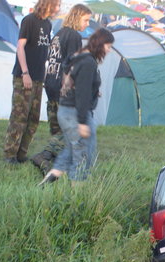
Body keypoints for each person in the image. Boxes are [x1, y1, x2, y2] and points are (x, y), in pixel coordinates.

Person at [39, 28, 114, 185]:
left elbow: (71, 76)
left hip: (65, 110)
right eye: (108, 46)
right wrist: (82, 122)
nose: (109, 50)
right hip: (76, 113)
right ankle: (77, 193)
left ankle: (51, 177)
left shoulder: (78, 56)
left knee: (71, 150)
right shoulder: (88, 62)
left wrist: (92, 91)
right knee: (83, 155)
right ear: (100, 45)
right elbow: (82, 92)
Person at [31, 3, 92, 175]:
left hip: (50, 83)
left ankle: (55, 164)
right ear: (76, 16)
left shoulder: (59, 34)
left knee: (57, 127)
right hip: (61, 87)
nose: (87, 24)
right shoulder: (73, 36)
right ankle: (44, 156)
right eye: (86, 20)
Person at [3, 0, 60, 165]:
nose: (58, 8)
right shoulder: (29, 20)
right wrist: (25, 72)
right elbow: (20, 47)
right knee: (19, 116)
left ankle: (22, 153)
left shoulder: (47, 24)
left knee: (33, 118)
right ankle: (10, 154)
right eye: (56, 5)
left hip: (38, 77)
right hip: (24, 76)